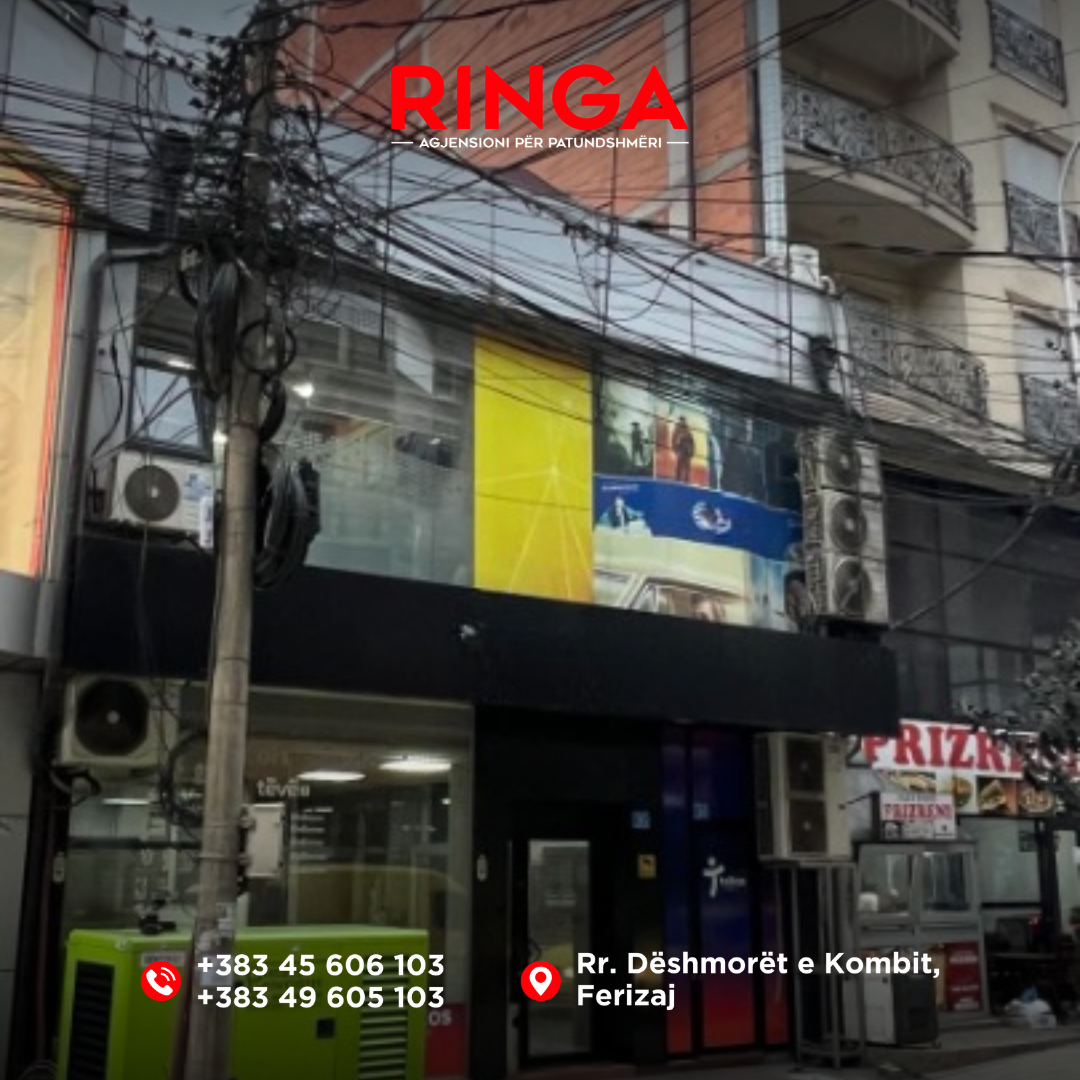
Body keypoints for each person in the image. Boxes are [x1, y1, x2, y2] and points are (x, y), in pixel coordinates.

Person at [673, 416, 695, 484]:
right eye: (682, 420)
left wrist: (691, 451)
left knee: (687, 467)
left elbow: (692, 442)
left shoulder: (687, 430)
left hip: (687, 451)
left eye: (684, 421)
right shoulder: (677, 429)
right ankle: (678, 480)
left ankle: (686, 481)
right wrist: (676, 449)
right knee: (679, 466)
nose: (683, 422)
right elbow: (674, 439)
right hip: (681, 449)